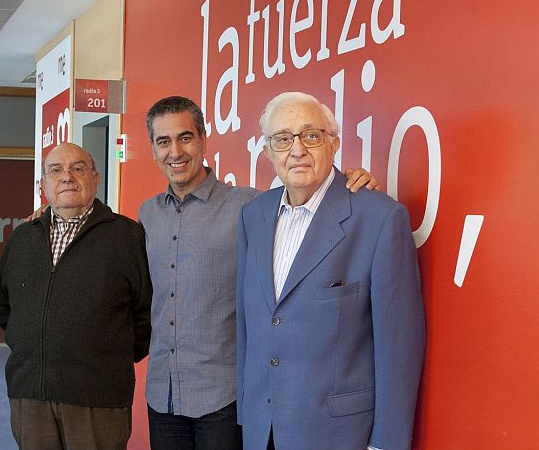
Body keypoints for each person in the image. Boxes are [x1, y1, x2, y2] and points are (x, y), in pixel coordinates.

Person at [139, 96, 379, 450]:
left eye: (185, 138)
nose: (175, 151)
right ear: (153, 149)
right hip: (164, 393)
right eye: (163, 141)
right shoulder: (147, 215)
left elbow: (310, 204)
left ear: (203, 139)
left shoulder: (251, 207)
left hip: (223, 398)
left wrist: (355, 184)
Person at [236, 92, 426, 450]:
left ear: (334, 143)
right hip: (264, 431)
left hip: (339, 435)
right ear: (267, 152)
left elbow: (399, 345)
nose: (297, 150)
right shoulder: (253, 216)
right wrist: (248, 416)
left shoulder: (379, 218)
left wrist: (387, 443)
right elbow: (249, 324)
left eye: (311, 135)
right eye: (282, 139)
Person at [0, 142, 152, 450]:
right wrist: (33, 346)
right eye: (56, 170)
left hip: (97, 398)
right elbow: (3, 305)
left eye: (78, 168)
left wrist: (106, 356)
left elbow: (146, 312)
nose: (67, 177)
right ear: (43, 184)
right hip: (30, 394)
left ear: (95, 179)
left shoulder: (127, 236)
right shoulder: (23, 238)